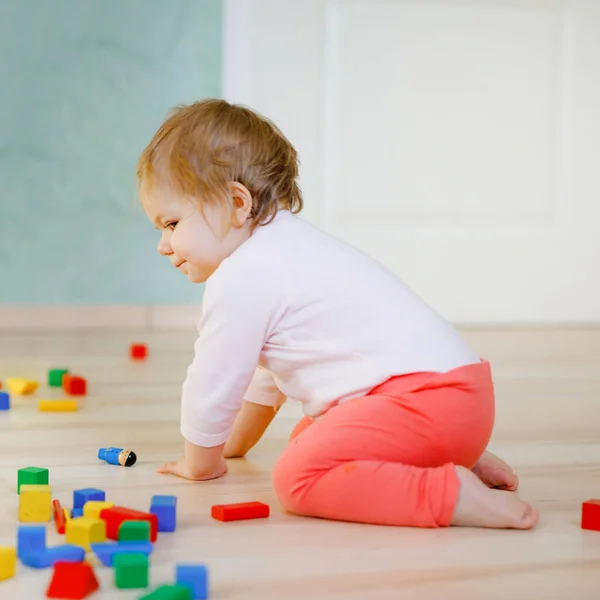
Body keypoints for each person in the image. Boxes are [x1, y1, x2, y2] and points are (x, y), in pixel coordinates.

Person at [137, 98, 538, 530]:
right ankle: (448, 454)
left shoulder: (241, 276)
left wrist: (200, 463)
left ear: (237, 203)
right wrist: (232, 445)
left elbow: (213, 379)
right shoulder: (291, 248)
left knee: (298, 477)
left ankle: (450, 496)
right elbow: (264, 375)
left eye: (172, 224)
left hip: (422, 404)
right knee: (309, 438)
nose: (163, 245)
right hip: (460, 403)